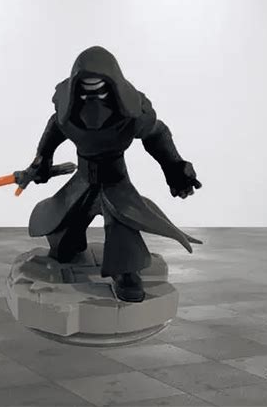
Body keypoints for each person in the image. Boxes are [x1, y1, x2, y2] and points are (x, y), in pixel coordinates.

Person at [24, 46, 202, 302]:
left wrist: (174, 167)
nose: (93, 100)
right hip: (83, 180)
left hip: (115, 181)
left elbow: (156, 134)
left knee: (121, 223)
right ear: (75, 89)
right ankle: (70, 244)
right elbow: (54, 130)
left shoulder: (130, 115)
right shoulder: (68, 113)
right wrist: (41, 161)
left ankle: (126, 271)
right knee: (64, 239)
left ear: (114, 86)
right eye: (85, 90)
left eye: (100, 90)